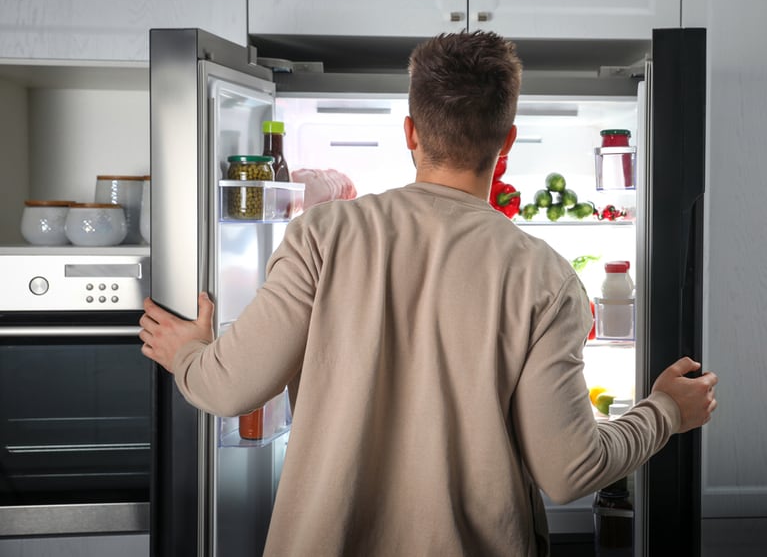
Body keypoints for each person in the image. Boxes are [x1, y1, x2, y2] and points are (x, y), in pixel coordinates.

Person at [139, 31, 718, 557]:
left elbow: (229, 387)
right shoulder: (545, 277)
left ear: (411, 132)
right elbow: (569, 470)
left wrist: (189, 351)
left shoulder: (322, 233)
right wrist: (664, 410)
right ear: (508, 141)